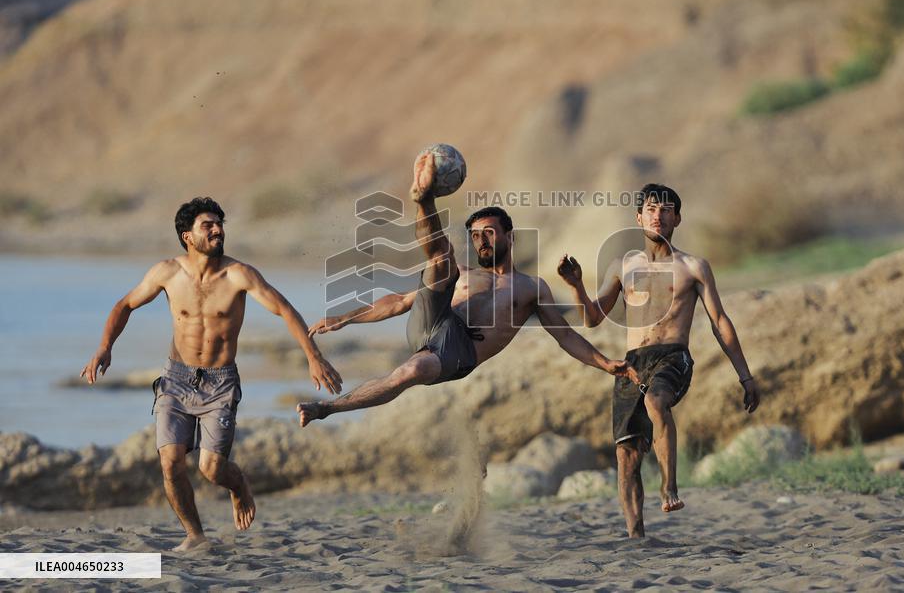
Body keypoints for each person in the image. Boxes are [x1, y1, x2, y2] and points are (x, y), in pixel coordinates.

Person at [297, 151, 639, 426]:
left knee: (410, 372)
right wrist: (347, 317)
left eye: (489, 233)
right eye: (476, 236)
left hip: (458, 349)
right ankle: (423, 199)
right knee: (443, 259)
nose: (481, 241)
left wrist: (604, 362)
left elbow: (566, 336)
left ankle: (324, 410)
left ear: (509, 236)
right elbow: (401, 301)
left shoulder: (531, 288)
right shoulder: (462, 273)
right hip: (431, 321)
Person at [81, 197, 342, 551]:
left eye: (219, 224)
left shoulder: (238, 274)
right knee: (170, 462)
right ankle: (195, 535)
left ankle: (239, 485)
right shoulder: (167, 273)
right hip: (176, 379)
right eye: (209, 225)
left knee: (212, 469)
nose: (218, 230)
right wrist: (104, 346)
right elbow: (124, 304)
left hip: (220, 383)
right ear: (188, 236)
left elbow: (282, 308)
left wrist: (313, 356)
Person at [557, 183, 760, 538]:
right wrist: (576, 286)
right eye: (651, 209)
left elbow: (720, 322)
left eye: (666, 210)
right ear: (638, 218)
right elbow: (592, 318)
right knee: (626, 457)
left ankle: (670, 486)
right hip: (632, 363)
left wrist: (745, 376)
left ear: (677, 219)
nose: (658, 215)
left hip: (672, 357)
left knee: (656, 400)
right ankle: (636, 537)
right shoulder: (623, 266)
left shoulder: (693, 267)